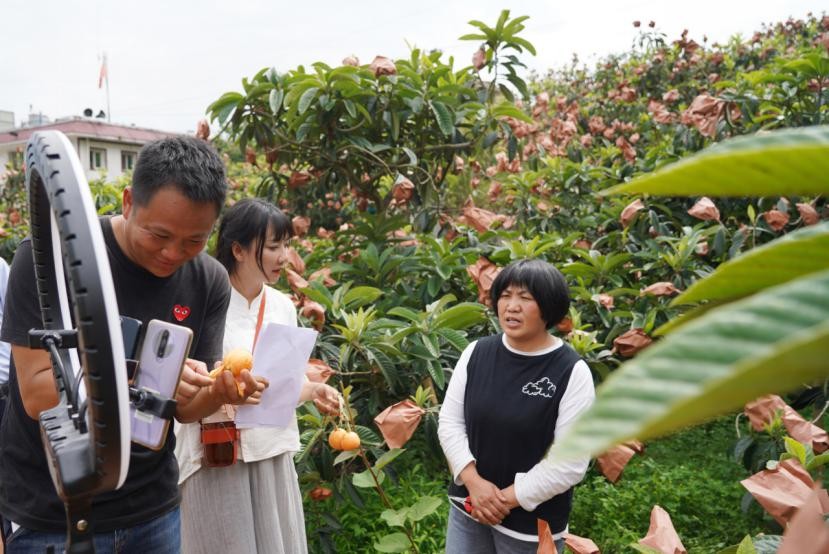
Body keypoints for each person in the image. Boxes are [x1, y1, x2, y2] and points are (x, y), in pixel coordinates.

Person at [0, 136, 263, 553]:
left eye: (194, 240)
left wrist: (216, 391)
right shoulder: (48, 258)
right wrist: (149, 372)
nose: (173, 253)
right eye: (158, 234)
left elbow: (182, 408)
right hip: (56, 508)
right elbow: (35, 394)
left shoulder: (209, 279)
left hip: (151, 509)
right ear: (127, 202)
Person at [175, 198, 340, 554]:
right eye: (274, 247)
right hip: (217, 456)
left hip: (270, 452)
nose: (284, 257)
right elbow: (184, 387)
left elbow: (279, 385)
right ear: (238, 249)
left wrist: (313, 390)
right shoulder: (202, 300)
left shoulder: (282, 306)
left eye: (287, 245)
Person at [438, 259, 596, 554]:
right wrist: (474, 483)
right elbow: (450, 422)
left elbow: (570, 463)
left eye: (525, 298)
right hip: (468, 507)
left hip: (532, 527)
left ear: (548, 307)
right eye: (505, 295)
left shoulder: (571, 371)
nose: (511, 306)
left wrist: (504, 499)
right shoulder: (476, 353)